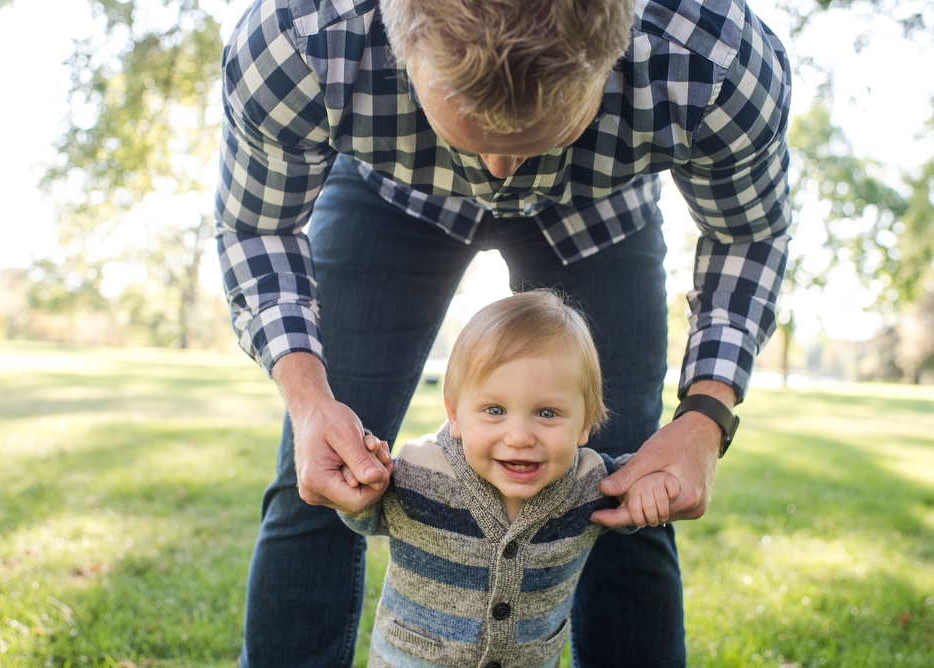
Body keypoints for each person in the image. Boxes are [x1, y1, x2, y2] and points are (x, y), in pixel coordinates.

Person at [215, 0, 792, 664]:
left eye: (535, 132)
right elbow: (257, 228)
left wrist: (705, 416)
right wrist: (310, 400)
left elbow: (750, 234)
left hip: (597, 207)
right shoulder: (300, 38)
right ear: (402, 47)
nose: (497, 172)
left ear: (614, 54)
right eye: (470, 126)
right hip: (391, 194)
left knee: (630, 493)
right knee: (317, 478)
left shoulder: (713, 56)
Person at [338, 290, 676, 667]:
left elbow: (639, 483)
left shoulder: (590, 483)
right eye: (495, 410)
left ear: (585, 422)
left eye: (547, 413)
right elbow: (365, 514)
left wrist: (653, 488)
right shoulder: (421, 470)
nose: (518, 436)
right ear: (454, 414)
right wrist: (362, 488)